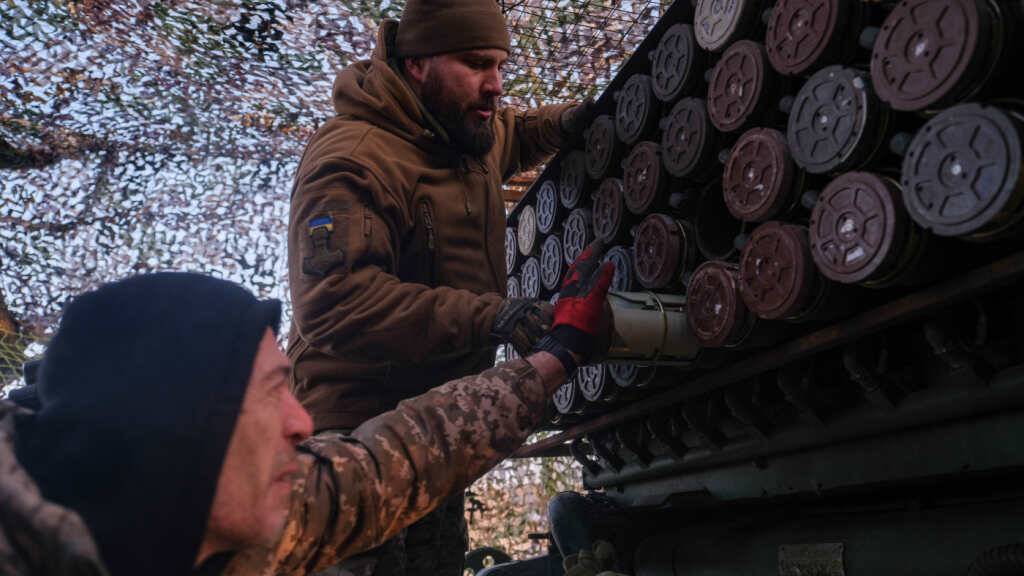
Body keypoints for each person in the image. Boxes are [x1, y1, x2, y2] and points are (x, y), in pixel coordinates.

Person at [0, 242, 613, 576]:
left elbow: (389, 464)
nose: (301, 424)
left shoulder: (212, 510)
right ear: (180, 424)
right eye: (272, 391)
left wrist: (555, 358)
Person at [286, 0, 593, 574]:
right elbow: (334, 304)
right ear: (418, 62)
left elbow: (513, 133)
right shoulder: (355, 159)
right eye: (477, 63)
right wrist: (490, 317)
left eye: (500, 65)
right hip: (354, 435)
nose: (495, 85)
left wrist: (569, 123)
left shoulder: (459, 126)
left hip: (436, 424)